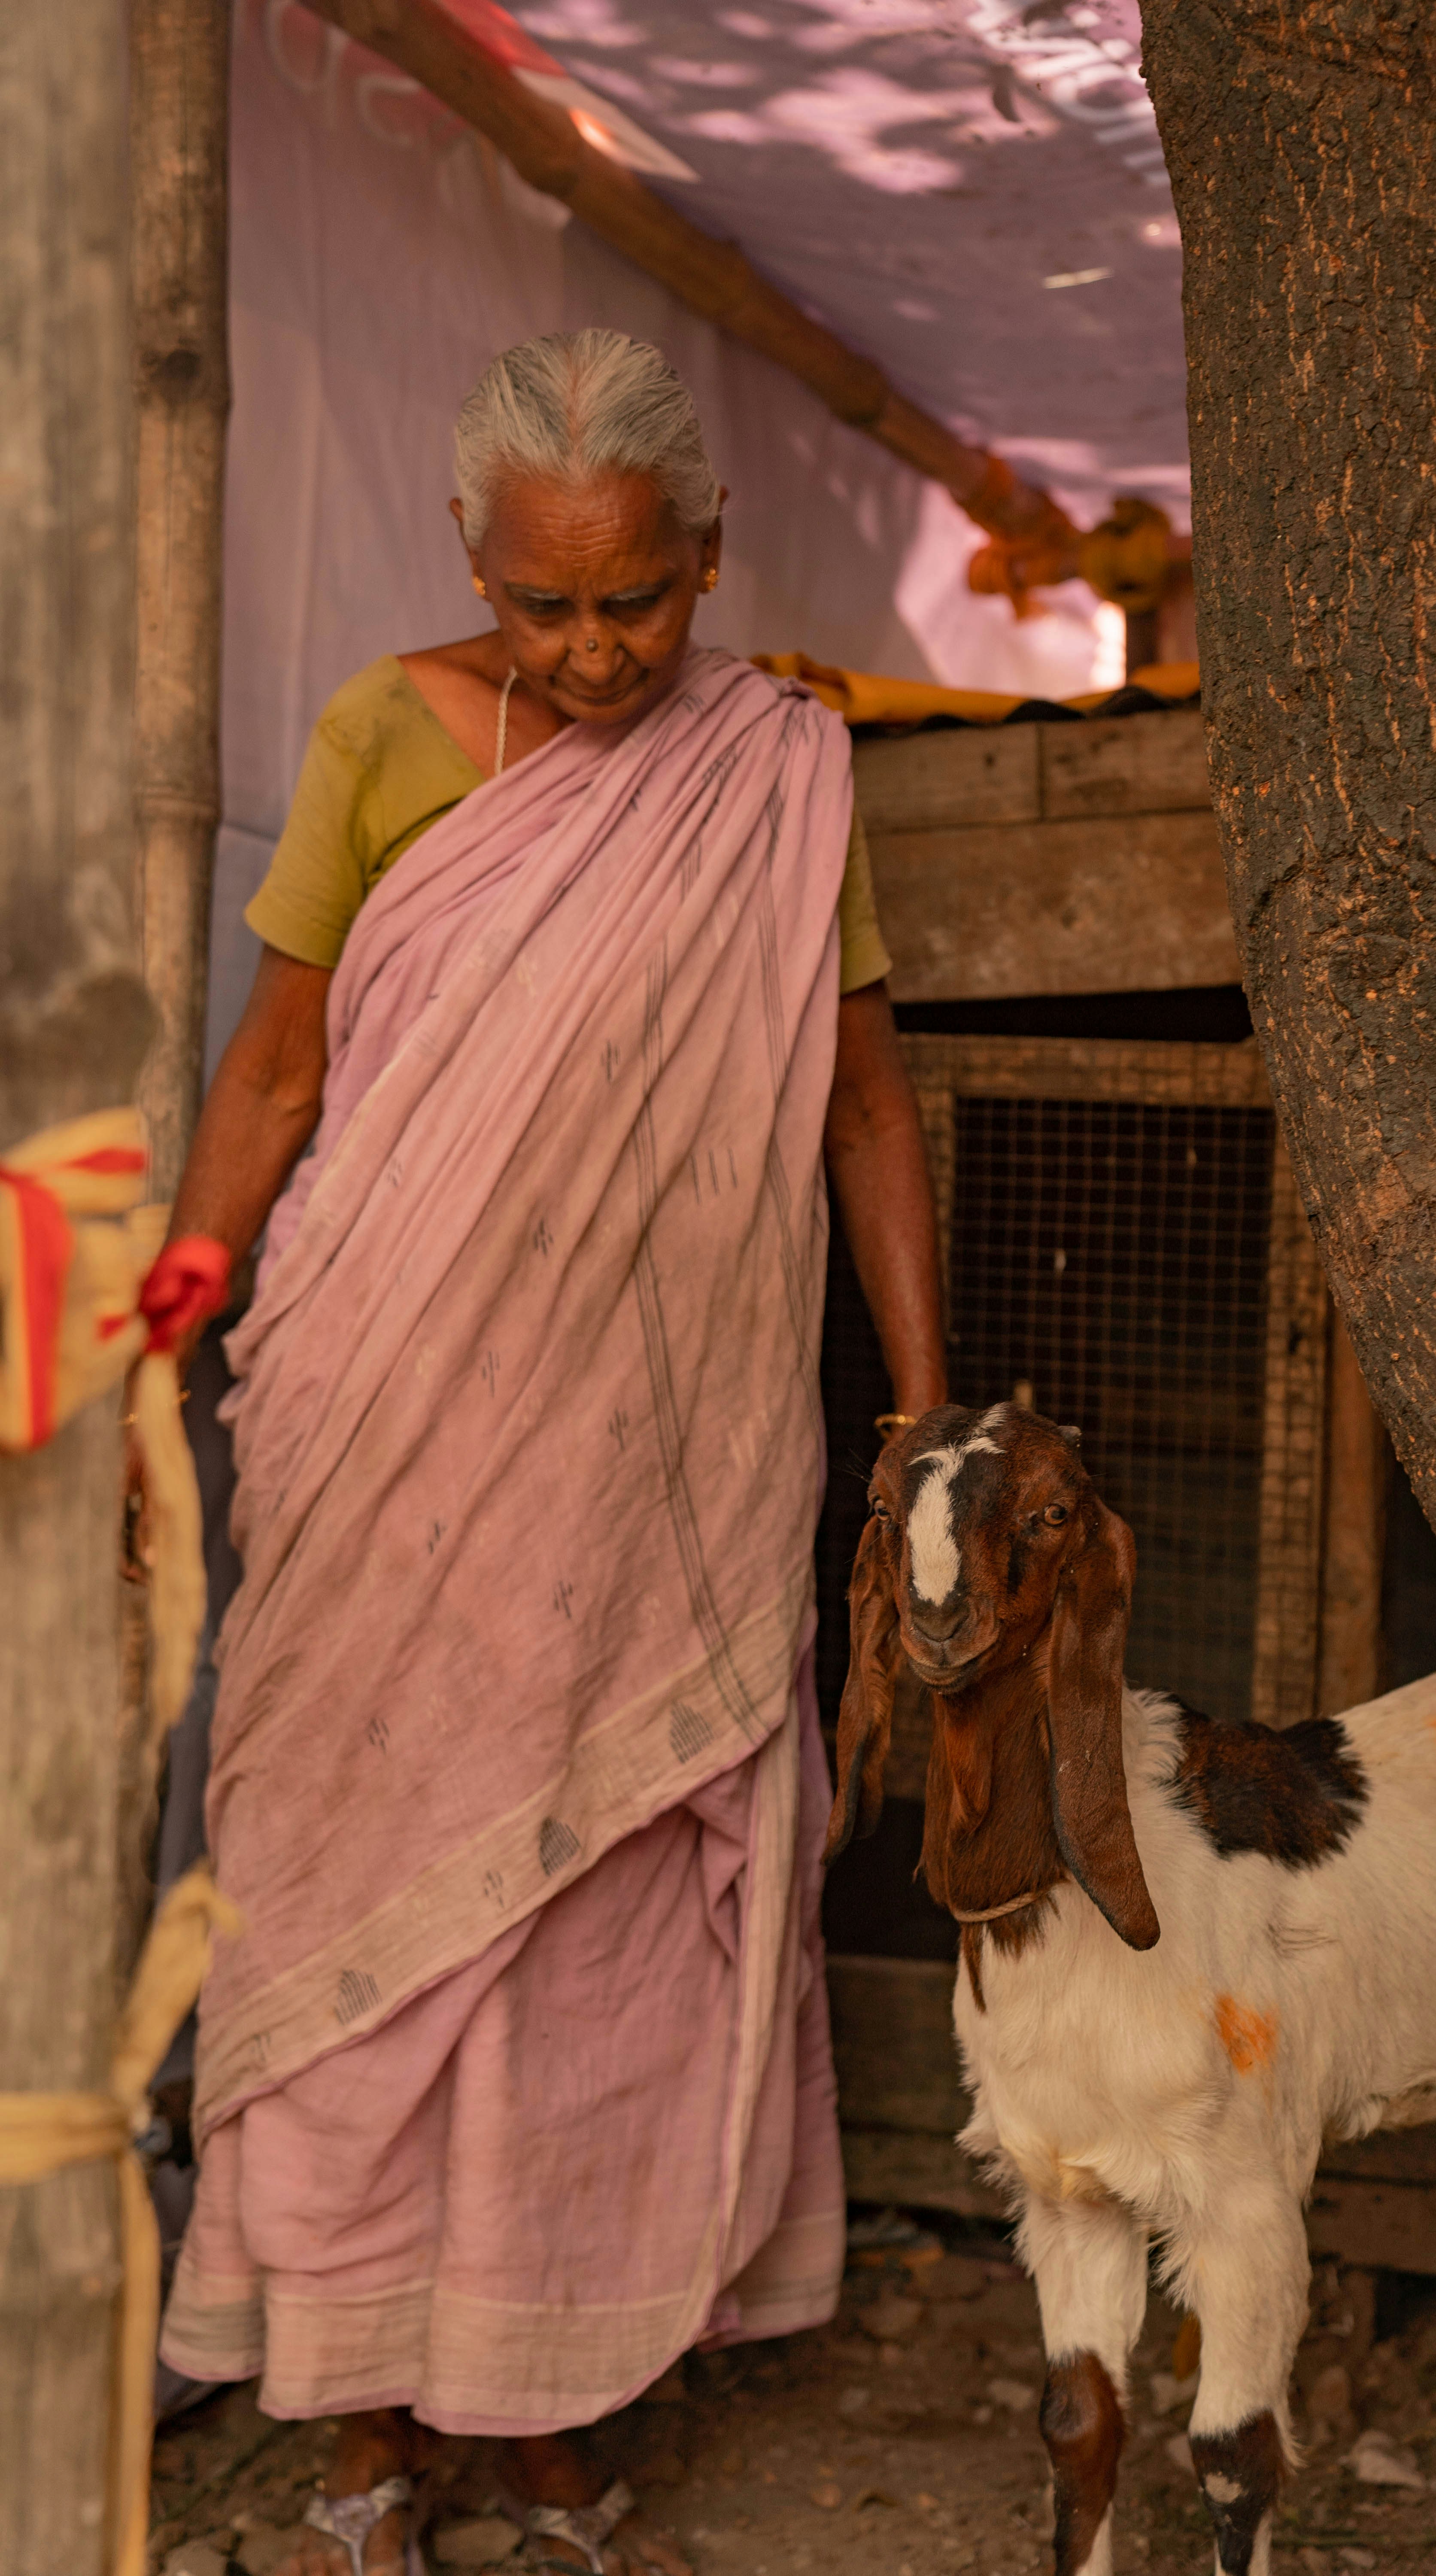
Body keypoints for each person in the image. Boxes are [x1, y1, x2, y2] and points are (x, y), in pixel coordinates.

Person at [155, 329, 947, 2576]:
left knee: (596, 1920)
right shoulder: (374, 741)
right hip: (377, 1429)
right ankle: (370, 2422)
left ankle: (546, 2417)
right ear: (467, 565)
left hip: (659, 1457)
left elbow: (860, 1105)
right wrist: (187, 1290)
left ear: (710, 558)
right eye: (541, 608)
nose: (592, 654)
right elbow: (277, 1075)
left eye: (637, 604)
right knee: (366, 1907)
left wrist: (916, 1414)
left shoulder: (781, 770)